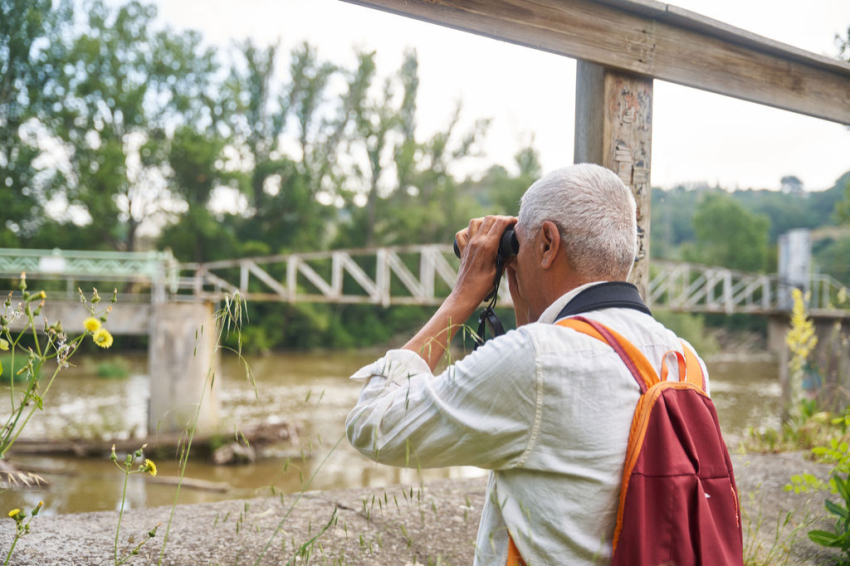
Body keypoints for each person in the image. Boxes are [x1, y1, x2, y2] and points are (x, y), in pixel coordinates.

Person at [345, 163, 710, 565]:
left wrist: (461, 297)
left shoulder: (535, 361)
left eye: (518, 244)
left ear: (548, 242)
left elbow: (375, 426)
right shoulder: (684, 360)